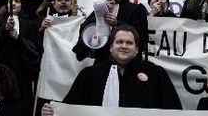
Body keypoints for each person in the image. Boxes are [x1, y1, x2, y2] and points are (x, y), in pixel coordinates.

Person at [42, 26, 182, 115]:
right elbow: (69, 108)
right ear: (110, 47)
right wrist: (53, 111)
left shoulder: (156, 74)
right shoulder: (90, 74)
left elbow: (174, 111)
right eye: (119, 42)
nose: (124, 46)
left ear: (137, 49)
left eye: (129, 43)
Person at [0, 0, 42, 116]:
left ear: (22, 5)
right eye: (10, 1)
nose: (13, 3)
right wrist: (4, 31)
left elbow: (36, 49)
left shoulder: (30, 25)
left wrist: (17, 37)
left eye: (17, 1)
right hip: (2, 75)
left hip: (23, 73)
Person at [73, 0, 148, 63]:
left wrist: (117, 24)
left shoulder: (137, 9)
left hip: (127, 63)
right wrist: (100, 12)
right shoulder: (102, 7)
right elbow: (84, 29)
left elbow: (141, 37)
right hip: (102, 61)